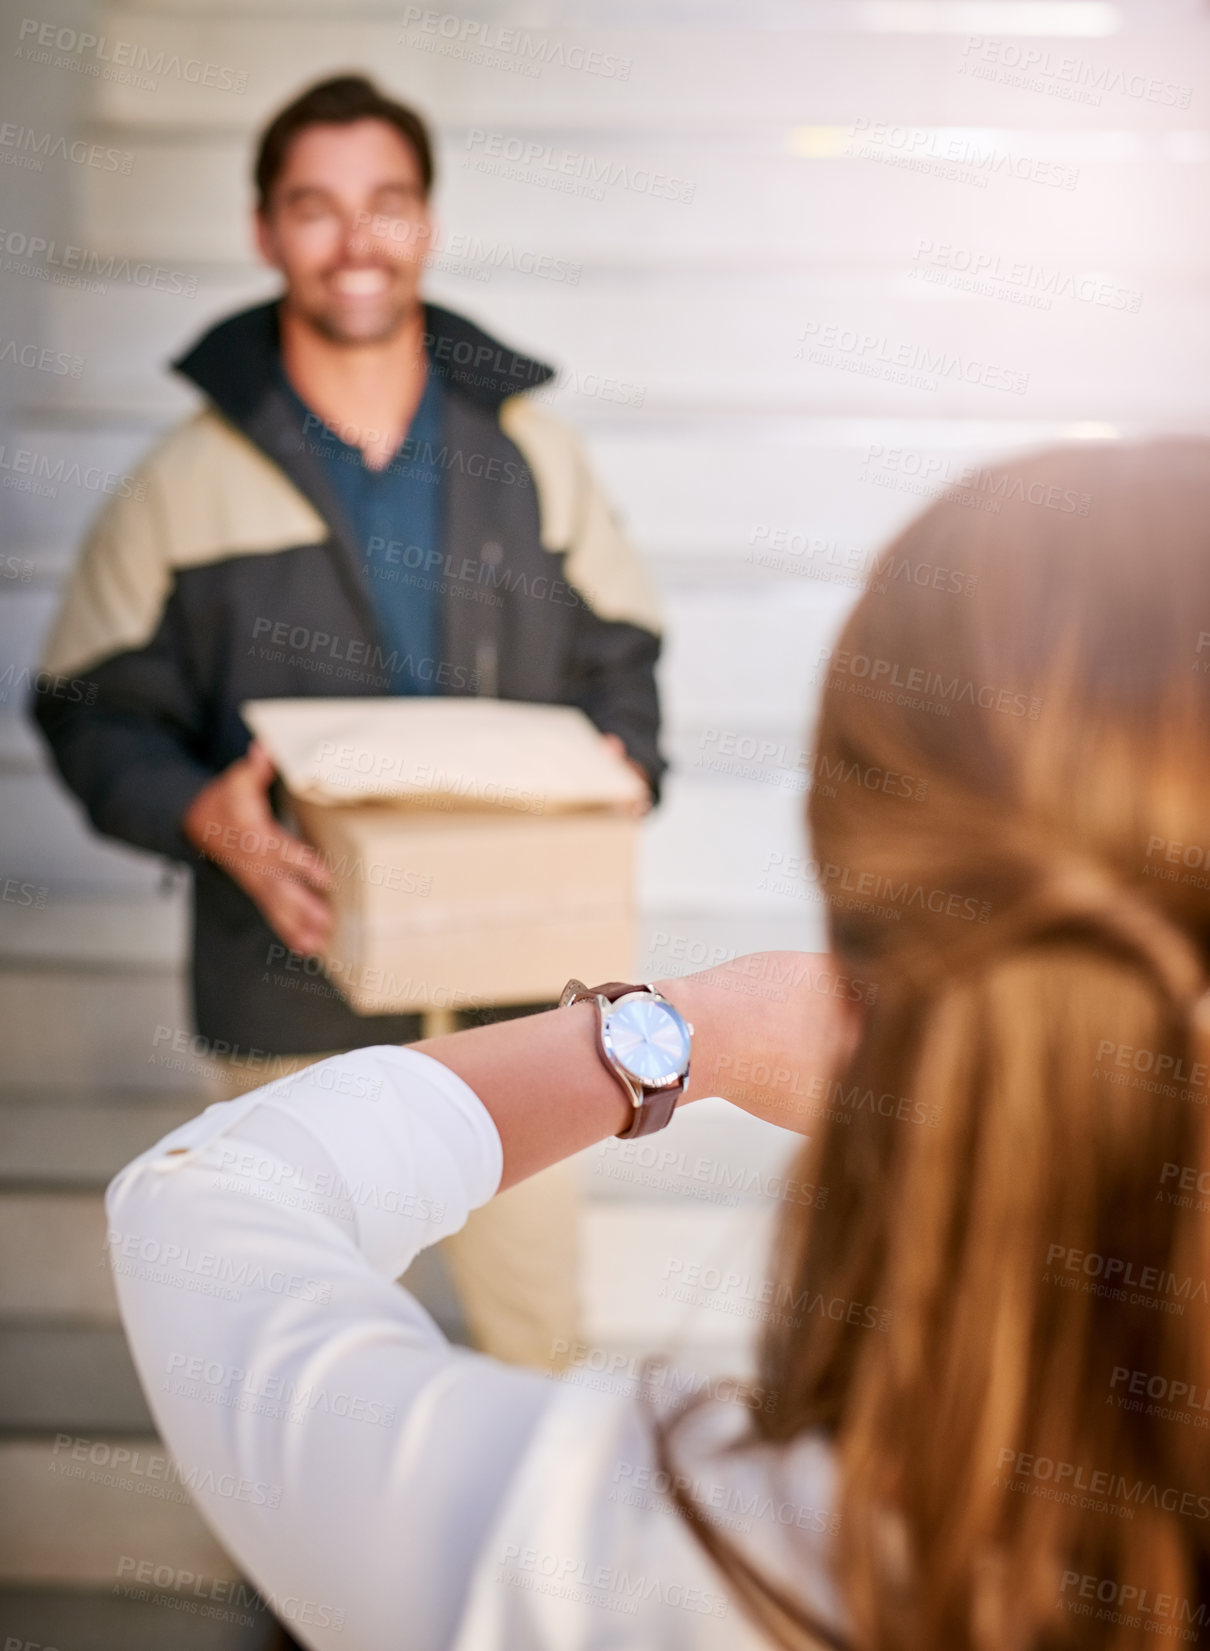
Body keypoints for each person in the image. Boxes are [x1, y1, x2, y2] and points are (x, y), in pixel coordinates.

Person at [106, 437, 1210, 1649]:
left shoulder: (616, 1555)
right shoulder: (183, 484)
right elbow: (99, 710)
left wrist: (697, 1026)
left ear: (844, 863)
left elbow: (204, 1206)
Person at [33, 74, 666, 1374]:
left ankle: (519, 1586)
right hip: (288, 1007)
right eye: (314, 210)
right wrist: (196, 809)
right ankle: (300, 1592)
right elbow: (89, 709)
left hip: (521, 1006)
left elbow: (624, 656)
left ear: (426, 223)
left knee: (536, 1360)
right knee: (279, 1372)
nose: (355, 240)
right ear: (265, 231)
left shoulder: (527, 456)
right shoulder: (183, 484)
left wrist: (623, 766)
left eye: (385, 205)